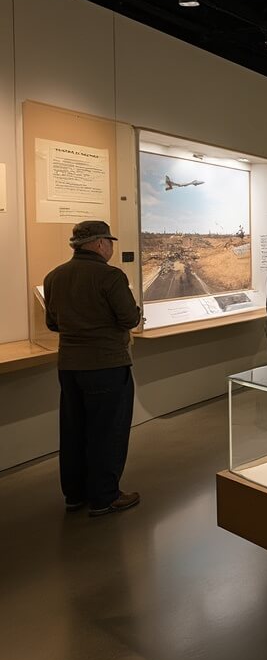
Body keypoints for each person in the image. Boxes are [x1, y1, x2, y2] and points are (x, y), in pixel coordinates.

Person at [44, 220, 141, 516]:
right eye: (109, 242)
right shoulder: (110, 276)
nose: (111, 247)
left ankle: (74, 494)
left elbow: (52, 323)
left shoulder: (54, 276)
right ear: (100, 244)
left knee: (74, 429)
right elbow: (129, 319)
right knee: (107, 431)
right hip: (106, 365)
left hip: (69, 366)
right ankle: (104, 496)